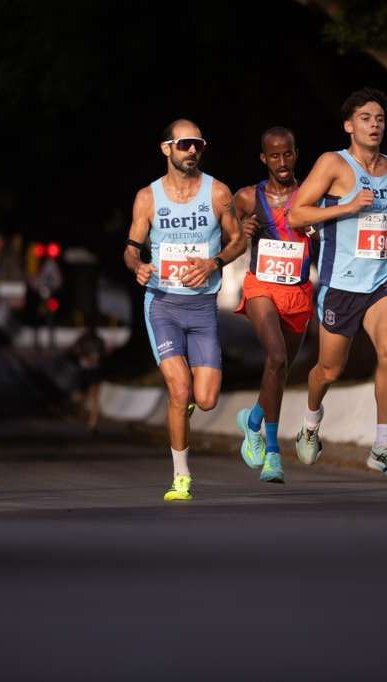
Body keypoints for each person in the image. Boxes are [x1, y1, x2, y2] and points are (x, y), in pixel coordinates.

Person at [287, 87, 387, 477]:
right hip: (341, 282)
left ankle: (382, 446)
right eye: (365, 118)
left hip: (383, 278)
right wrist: (345, 206)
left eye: (379, 119)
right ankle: (311, 423)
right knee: (329, 369)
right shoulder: (333, 164)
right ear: (349, 125)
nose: (374, 125)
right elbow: (297, 214)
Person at [123, 118, 247, 501]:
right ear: (166, 149)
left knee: (205, 399)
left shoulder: (218, 192)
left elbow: (239, 240)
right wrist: (137, 265)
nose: (192, 150)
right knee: (179, 389)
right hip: (162, 305)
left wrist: (214, 262)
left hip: (203, 308)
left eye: (198, 144)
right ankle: (181, 477)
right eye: (184, 144)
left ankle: (185, 406)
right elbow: (130, 249)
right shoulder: (147, 197)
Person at [233, 127, 316, 484]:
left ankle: (252, 419)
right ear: (263, 158)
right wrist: (242, 231)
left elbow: (329, 233)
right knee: (277, 357)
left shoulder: (311, 194)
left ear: (296, 154)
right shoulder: (246, 197)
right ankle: (272, 453)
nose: (282, 162)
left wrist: (317, 230)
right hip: (261, 286)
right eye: (274, 155)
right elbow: (228, 239)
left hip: (297, 290)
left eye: (287, 154)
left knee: (279, 371)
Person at [70, 325, 106, 434]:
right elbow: (75, 350)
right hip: (85, 370)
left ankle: (92, 423)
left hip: (94, 370)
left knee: (94, 397)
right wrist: (85, 357)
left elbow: (103, 353)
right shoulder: (83, 339)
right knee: (81, 396)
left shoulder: (98, 340)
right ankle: (84, 416)